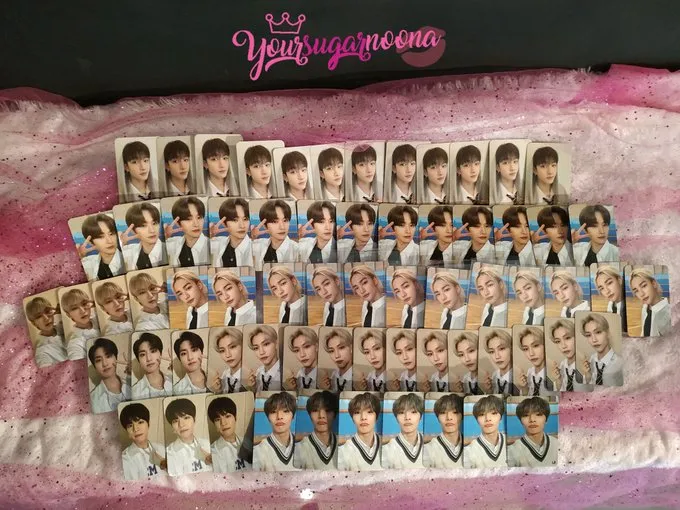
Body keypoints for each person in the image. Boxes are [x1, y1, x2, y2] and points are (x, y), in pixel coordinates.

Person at [253, 391, 299, 471]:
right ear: (268, 417)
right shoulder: (258, 452)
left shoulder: (303, 446)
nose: (279, 417)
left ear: (293, 416)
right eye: (273, 412)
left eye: (285, 411)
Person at [165, 398, 212, 476]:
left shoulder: (208, 444)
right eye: (175, 421)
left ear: (194, 420)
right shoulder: (169, 453)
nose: (181, 425)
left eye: (186, 418)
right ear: (172, 426)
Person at [507, 396, 559, 467]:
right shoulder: (512, 450)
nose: (532, 420)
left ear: (546, 419)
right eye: (526, 415)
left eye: (538, 414)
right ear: (521, 421)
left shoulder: (557, 444)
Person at [119, 402, 167, 480]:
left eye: (140, 422)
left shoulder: (162, 448)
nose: (135, 429)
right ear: (126, 430)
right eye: (130, 425)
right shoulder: (125, 459)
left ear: (148, 423)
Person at [294, 390, 340, 470]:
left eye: (327, 410)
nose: (321, 416)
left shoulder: (345, 448)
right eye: (315, 410)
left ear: (335, 414)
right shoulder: (299, 449)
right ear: (310, 414)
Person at [337, 392, 382, 470]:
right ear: (352, 418)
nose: (363, 417)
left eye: (369, 412)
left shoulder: (387, 448)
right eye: (357, 412)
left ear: (376, 416)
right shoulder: (343, 452)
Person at [381, 393, 425, 469]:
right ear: (396, 418)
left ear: (420, 416)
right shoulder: (387, 451)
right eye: (401, 413)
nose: (407, 417)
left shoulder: (430, 446)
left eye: (413, 412)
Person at [251, 199, 299, 268]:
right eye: (275, 222)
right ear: (265, 226)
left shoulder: (297, 250)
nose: (282, 227)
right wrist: (252, 237)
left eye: (285, 220)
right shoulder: (258, 245)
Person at [77, 213, 125, 281]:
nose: (109, 241)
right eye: (101, 237)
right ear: (91, 242)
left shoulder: (129, 257)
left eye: (111, 234)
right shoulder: (88, 263)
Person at [88, 337, 130, 413]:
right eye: (98, 360)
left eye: (108, 356)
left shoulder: (132, 385)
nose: (105, 364)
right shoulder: (92, 400)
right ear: (95, 367)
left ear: (116, 358)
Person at [208, 396, 250, 472]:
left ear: (235, 417)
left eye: (227, 416)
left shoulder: (249, 443)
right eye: (217, 419)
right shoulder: (212, 453)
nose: (223, 423)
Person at [463, 395, 507, 468]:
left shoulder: (511, 445)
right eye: (482, 414)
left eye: (493, 413)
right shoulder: (468, 452)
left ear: (501, 417)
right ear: (477, 420)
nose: (488, 419)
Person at [165, 196, 209, 267]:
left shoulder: (212, 245)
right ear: (178, 223)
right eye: (189, 219)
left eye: (199, 217)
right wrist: (165, 236)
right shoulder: (173, 244)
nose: (196, 224)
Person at [581, 313, 624, 386]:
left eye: (598, 332)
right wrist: (587, 377)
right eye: (588, 335)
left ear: (608, 333)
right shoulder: (591, 359)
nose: (594, 340)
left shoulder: (620, 363)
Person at [423, 393, 464, 468]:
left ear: (462, 416)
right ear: (438, 417)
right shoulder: (427, 450)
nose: (449, 418)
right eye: (443, 413)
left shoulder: (471, 447)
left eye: (455, 412)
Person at [120, 202, 166, 270]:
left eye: (154, 223)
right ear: (133, 230)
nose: (152, 230)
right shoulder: (130, 251)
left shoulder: (170, 248)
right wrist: (123, 242)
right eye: (143, 226)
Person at [25, 296, 67, 368]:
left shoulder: (62, 326)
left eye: (47, 311)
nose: (46, 318)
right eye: (39, 316)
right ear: (34, 323)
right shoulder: (42, 353)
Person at [210, 198, 253, 268]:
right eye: (235, 220)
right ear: (224, 223)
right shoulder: (218, 243)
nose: (242, 226)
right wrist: (210, 235)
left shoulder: (255, 247)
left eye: (245, 219)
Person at [547, 319, 588, 392]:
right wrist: (558, 380)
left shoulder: (588, 365)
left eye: (567, 338)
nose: (563, 345)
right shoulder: (562, 365)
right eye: (558, 341)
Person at [629, 267, 671, 336]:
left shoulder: (669, 314)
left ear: (653, 284)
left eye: (644, 286)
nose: (641, 294)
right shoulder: (645, 308)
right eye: (636, 291)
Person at [61, 287, 100, 361]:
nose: (82, 311)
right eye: (74, 308)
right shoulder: (75, 344)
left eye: (84, 304)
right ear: (68, 314)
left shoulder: (99, 319)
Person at [132, 332, 172, 399]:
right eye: (143, 354)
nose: (149, 358)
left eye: (153, 351)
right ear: (139, 360)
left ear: (160, 354)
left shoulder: (174, 382)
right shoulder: (134, 392)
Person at [517, 327, 555, 396]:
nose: (531, 353)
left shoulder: (554, 375)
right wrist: (524, 388)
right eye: (525, 349)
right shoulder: (530, 372)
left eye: (535, 345)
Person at [482, 329, 519, 396]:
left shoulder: (519, 377)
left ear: (511, 349)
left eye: (501, 349)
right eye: (492, 352)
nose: (497, 356)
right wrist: (489, 391)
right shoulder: (495, 375)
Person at [246, 325, 281, 392]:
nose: (261, 352)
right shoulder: (259, 372)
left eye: (266, 344)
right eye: (256, 348)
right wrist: (252, 388)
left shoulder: (285, 373)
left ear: (276, 344)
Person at [209, 328, 244, 394]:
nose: (228, 355)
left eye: (232, 347)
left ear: (243, 346)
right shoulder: (225, 374)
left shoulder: (250, 377)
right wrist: (218, 391)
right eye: (222, 350)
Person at [172, 331, 208, 395]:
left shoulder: (218, 380)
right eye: (184, 353)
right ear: (180, 359)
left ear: (201, 353)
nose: (190, 357)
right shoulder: (176, 390)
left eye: (194, 350)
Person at [594, 265, 627, 331]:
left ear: (619, 280)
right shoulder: (611, 306)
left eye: (609, 283)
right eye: (602, 288)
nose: (607, 291)